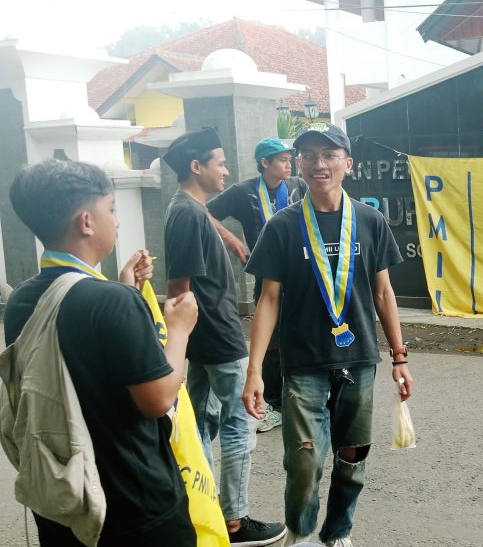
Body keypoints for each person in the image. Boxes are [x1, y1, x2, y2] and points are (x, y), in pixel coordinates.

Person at [3, 159, 198, 546]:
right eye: (111, 209)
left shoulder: (22, 299)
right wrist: (179, 330)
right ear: (86, 222)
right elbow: (157, 399)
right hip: (134, 503)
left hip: (66, 501)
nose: (118, 221)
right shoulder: (113, 301)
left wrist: (124, 287)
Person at [242, 122, 413, 547]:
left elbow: (383, 292)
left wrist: (400, 357)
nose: (319, 164)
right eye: (309, 155)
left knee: (353, 456)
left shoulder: (370, 221)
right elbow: (268, 299)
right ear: (299, 164)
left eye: (329, 155)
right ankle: (300, 533)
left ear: (347, 163)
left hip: (359, 359)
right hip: (303, 363)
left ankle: (338, 531)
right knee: (304, 460)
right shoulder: (282, 226)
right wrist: (254, 370)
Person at [163, 128, 286, 546]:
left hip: (207, 334)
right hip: (217, 334)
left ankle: (202, 508)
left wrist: (229, 235)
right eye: (220, 163)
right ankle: (234, 520)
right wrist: (180, 340)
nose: (226, 171)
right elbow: (178, 289)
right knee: (240, 423)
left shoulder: (190, 209)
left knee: (199, 422)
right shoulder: (187, 214)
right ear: (196, 167)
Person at [208, 137, 307, 433]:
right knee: (271, 339)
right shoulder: (243, 192)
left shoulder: (299, 186)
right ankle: (272, 405)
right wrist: (231, 238)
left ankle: (304, 398)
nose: (289, 165)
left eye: (290, 159)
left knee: (303, 334)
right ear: (265, 162)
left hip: (302, 273)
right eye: (283, 160)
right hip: (268, 275)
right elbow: (204, 212)